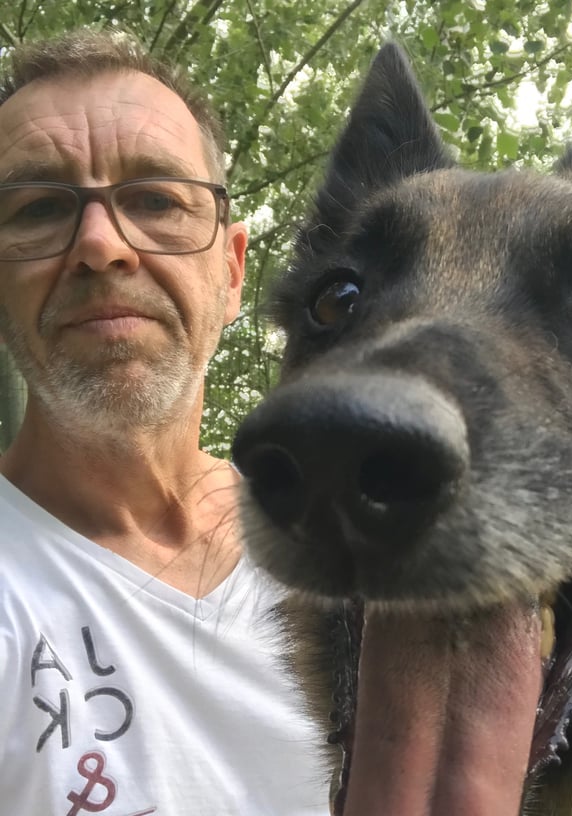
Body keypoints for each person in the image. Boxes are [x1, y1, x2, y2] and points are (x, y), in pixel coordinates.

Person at [0, 28, 329, 815]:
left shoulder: (349, 551)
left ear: (232, 272)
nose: (100, 246)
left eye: (156, 201)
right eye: (38, 209)